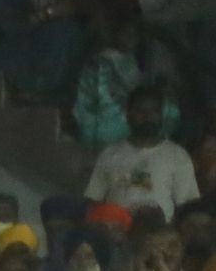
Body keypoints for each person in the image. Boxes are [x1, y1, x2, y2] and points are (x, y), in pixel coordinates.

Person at [85, 86, 201, 217]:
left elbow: (187, 206)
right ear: (128, 114)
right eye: (140, 111)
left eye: (154, 111)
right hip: (116, 227)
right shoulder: (110, 154)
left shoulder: (177, 155)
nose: (148, 117)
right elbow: (93, 200)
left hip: (160, 229)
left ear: (161, 116)